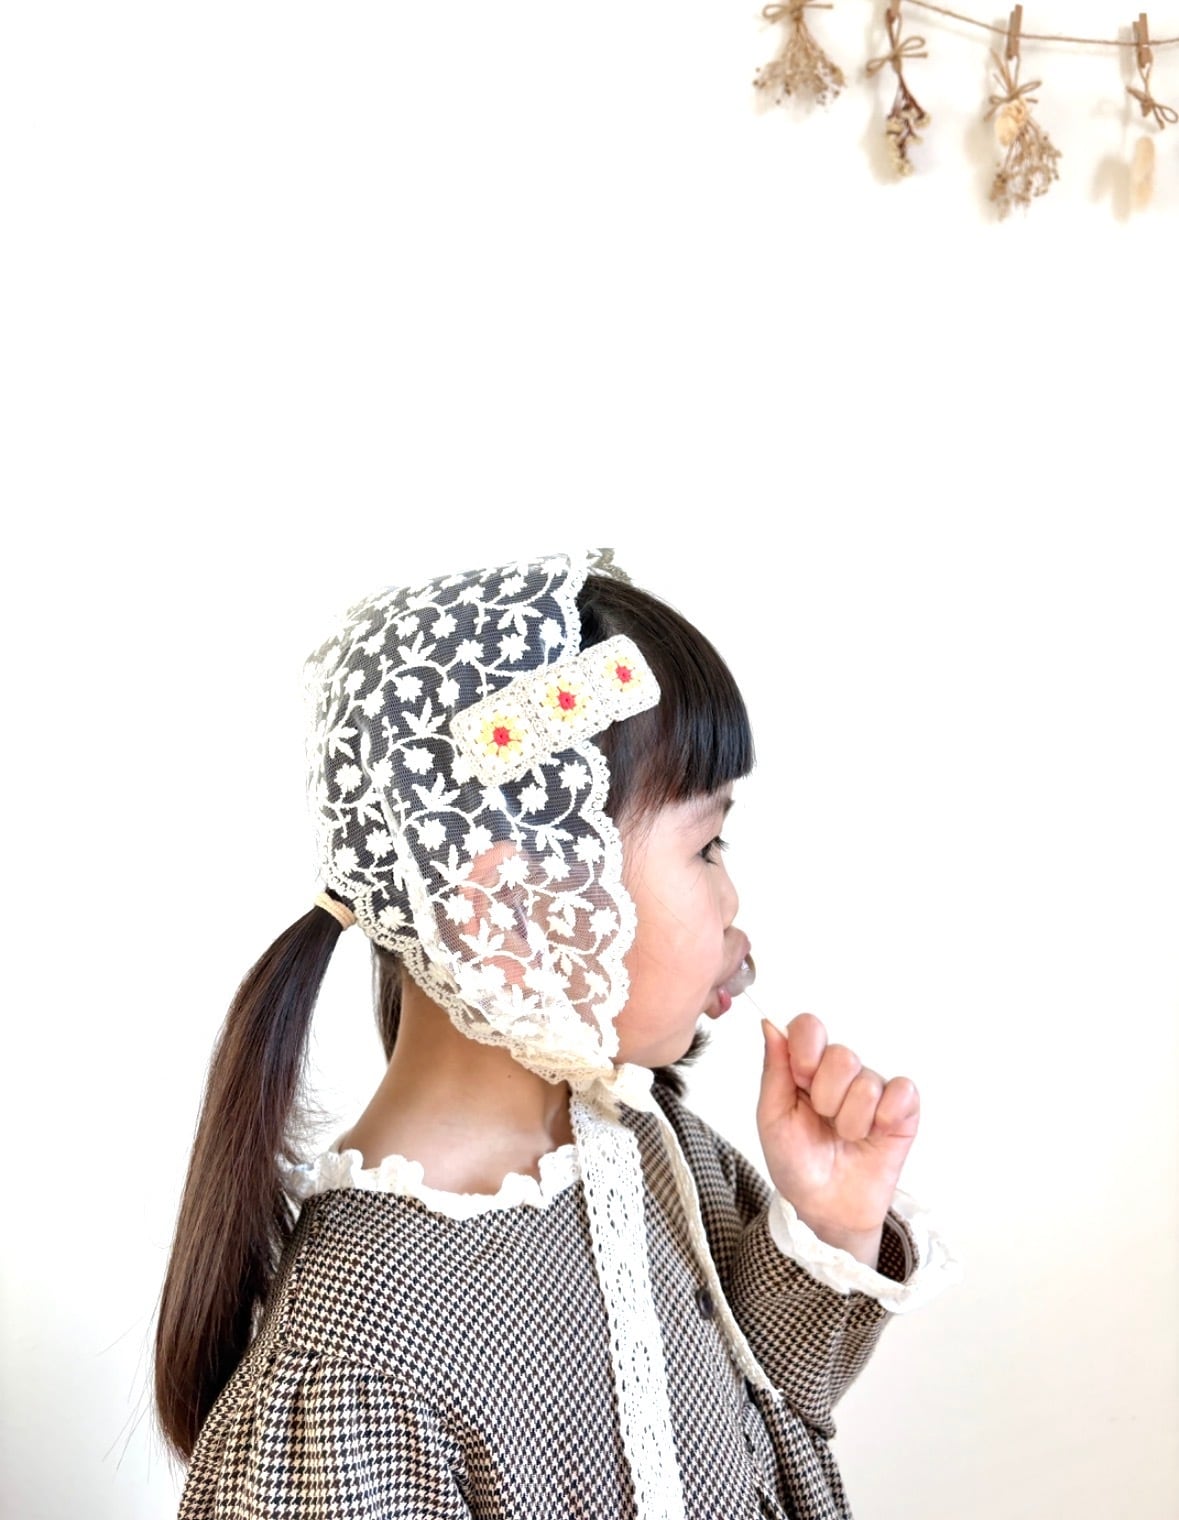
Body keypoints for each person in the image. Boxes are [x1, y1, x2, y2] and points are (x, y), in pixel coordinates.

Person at [155, 548, 958, 1520]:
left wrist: (829, 1223)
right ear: (514, 910)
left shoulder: (649, 1146)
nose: (732, 898)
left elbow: (761, 1440)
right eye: (706, 844)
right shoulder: (357, 1370)